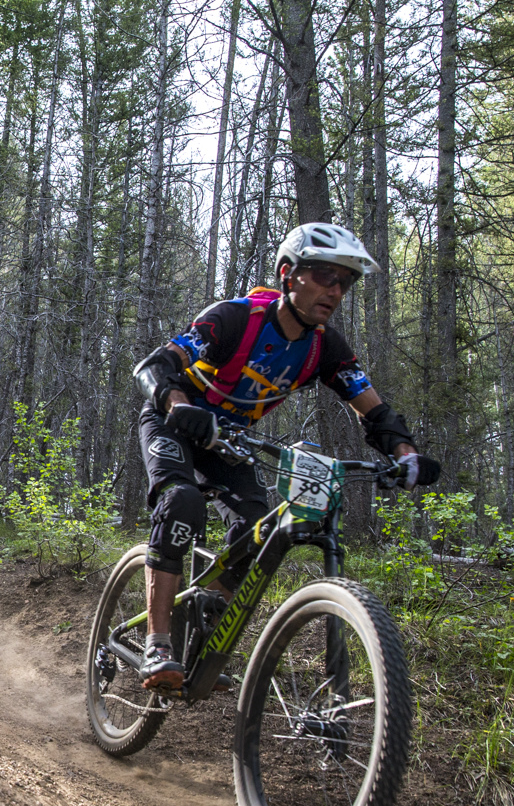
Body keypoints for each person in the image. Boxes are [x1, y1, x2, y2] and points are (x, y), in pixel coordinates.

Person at [128, 223, 440, 691]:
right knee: (182, 503)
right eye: (324, 276)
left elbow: (373, 409)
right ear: (289, 275)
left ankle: (204, 633)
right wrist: (180, 406)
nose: (335, 291)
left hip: (227, 440)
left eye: (345, 282)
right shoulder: (234, 319)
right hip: (172, 420)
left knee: (258, 526)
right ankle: (158, 643)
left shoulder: (323, 347)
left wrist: (405, 453)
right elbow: (154, 367)